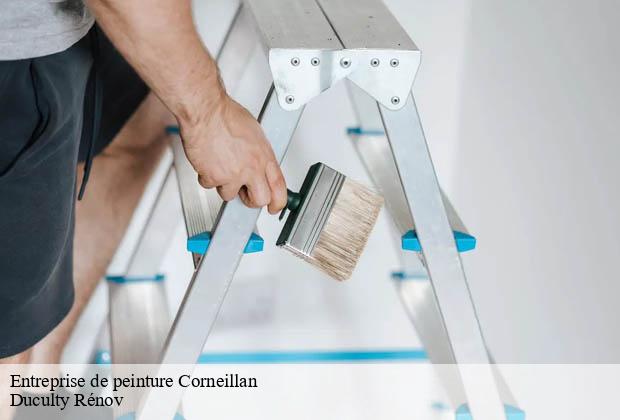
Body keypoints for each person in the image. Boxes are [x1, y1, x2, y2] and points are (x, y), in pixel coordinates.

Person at [0, 0, 287, 417]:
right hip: (12, 56)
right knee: (5, 348)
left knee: (140, 113)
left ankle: (35, 384)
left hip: (55, 29)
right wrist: (209, 115)